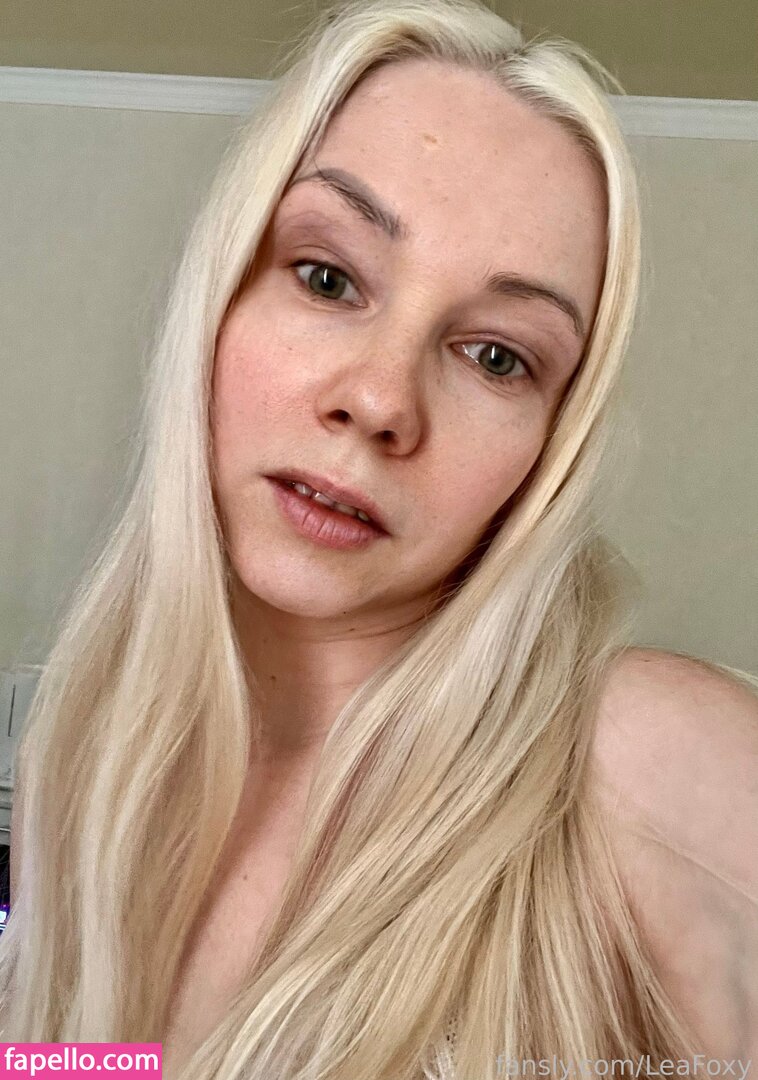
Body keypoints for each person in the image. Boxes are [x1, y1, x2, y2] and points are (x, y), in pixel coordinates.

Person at [1, 0, 757, 1076]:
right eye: (327, 277)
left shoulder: (648, 763)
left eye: (497, 356)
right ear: (219, 294)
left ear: (552, 444)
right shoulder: (86, 768)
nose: (379, 400)